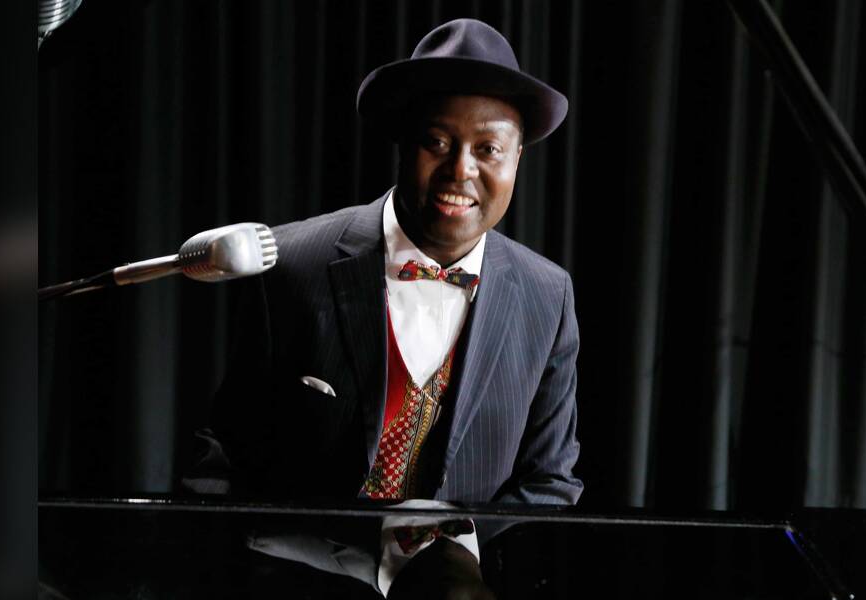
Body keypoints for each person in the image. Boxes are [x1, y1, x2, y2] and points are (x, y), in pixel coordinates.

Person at [183, 17, 581, 597]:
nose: (461, 169)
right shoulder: (292, 265)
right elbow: (221, 462)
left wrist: (449, 560)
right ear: (403, 141)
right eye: (437, 142)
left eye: (488, 149)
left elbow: (550, 483)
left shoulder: (549, 294)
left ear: (517, 159)